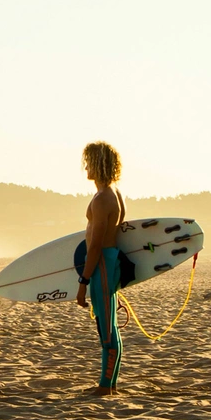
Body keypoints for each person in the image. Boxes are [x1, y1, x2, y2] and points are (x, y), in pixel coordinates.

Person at [75, 142, 126, 396]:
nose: (86, 166)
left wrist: (82, 283)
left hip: (102, 264)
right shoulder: (114, 193)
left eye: (89, 161)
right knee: (110, 325)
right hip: (110, 261)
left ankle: (105, 387)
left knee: (106, 328)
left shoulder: (103, 198)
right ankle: (110, 384)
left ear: (98, 164)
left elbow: (95, 245)